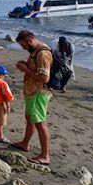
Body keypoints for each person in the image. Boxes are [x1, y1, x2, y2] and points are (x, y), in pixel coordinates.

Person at [13, 30, 53, 166]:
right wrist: (26, 64)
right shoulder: (36, 52)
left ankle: (45, 156)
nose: (24, 48)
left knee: (40, 122)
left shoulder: (42, 53)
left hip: (39, 92)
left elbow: (45, 78)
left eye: (24, 46)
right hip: (31, 91)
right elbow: (37, 70)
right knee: (30, 118)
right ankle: (25, 143)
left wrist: (26, 70)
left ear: (30, 41)